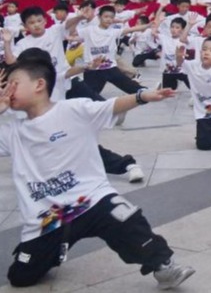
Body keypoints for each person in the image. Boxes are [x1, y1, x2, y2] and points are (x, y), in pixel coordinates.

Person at [0, 53, 195, 289]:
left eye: (13, 84)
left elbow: (111, 105)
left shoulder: (72, 109)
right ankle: (54, 250)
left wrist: (143, 96)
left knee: (124, 215)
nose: (7, 91)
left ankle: (163, 265)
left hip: (91, 199)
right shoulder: (12, 131)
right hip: (47, 219)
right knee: (20, 278)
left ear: (39, 84)